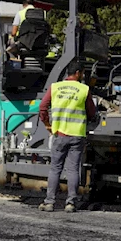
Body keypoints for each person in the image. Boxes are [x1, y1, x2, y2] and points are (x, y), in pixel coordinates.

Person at [38, 61, 96, 212]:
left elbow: (43, 107)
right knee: (72, 170)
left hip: (59, 134)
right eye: (82, 73)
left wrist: (47, 124)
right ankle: (70, 203)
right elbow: (91, 112)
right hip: (77, 135)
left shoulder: (55, 87)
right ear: (77, 73)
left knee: (55, 169)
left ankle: (49, 202)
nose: (83, 76)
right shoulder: (84, 89)